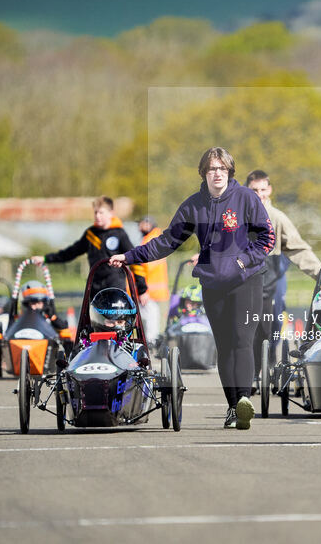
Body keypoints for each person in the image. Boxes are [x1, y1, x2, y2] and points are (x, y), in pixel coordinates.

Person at [110, 147, 275, 430]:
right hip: (213, 282)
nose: (218, 173)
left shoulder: (246, 198)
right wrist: (130, 256)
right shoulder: (193, 205)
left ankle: (244, 400)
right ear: (204, 173)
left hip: (247, 280)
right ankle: (234, 407)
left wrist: (243, 260)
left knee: (242, 340)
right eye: (212, 169)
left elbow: (266, 237)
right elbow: (166, 241)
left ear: (230, 172)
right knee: (224, 346)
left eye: (222, 169)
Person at [244, 169, 321, 381]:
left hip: (266, 282)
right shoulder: (235, 215)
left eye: (263, 189)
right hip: (239, 283)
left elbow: (298, 249)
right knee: (243, 331)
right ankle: (246, 375)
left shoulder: (277, 218)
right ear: (247, 190)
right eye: (254, 190)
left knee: (266, 329)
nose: (259, 194)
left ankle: (265, 370)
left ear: (270, 190)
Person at [31, 196, 147, 300]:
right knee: (94, 323)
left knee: (114, 322)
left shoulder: (120, 234)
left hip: (115, 286)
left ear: (111, 213)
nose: (97, 216)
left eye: (101, 212)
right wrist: (46, 258)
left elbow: (135, 261)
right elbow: (70, 253)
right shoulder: (91, 234)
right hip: (95, 287)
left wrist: (142, 290)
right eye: (95, 212)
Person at [137, 216, 170, 345]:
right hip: (153, 288)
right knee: (153, 315)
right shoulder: (157, 239)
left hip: (148, 288)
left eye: (141, 224)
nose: (139, 227)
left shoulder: (149, 241)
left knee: (149, 316)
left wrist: (141, 288)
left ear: (148, 224)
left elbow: (144, 266)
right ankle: (152, 339)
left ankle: (150, 341)